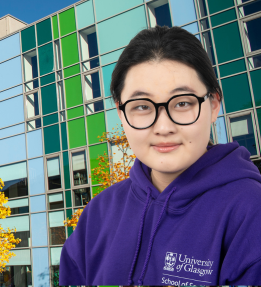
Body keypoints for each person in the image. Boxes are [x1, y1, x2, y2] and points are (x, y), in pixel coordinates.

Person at [59, 25, 261, 285]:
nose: (163, 127)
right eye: (142, 106)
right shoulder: (99, 212)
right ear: (122, 115)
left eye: (183, 103)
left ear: (213, 106)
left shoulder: (249, 209)